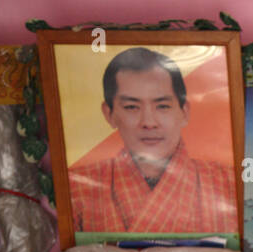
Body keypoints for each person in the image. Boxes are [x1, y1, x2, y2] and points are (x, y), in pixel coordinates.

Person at [68, 46, 236, 236]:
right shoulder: (76, 186)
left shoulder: (230, 184)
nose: (148, 122)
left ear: (184, 112)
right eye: (131, 107)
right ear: (109, 114)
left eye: (162, 106)